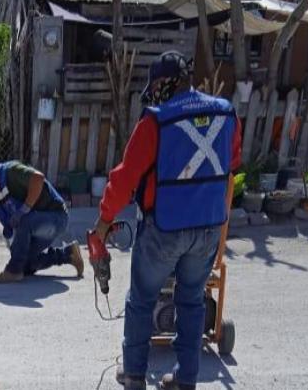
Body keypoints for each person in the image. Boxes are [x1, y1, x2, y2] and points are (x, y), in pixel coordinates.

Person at [92, 51, 242, 390]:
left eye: (156, 84)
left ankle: (133, 376)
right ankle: (185, 379)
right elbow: (232, 161)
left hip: (165, 228)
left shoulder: (156, 121)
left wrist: (103, 222)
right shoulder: (225, 112)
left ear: (166, 82)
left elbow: (125, 177)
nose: (154, 91)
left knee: (142, 299)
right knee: (191, 301)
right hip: (208, 228)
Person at [0, 161, 83, 283]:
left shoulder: (11, 171)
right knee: (24, 263)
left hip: (55, 217)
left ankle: (13, 272)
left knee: (23, 220)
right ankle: (69, 254)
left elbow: (38, 178)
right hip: (36, 226)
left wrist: (24, 209)